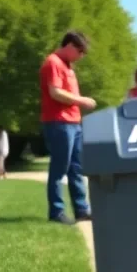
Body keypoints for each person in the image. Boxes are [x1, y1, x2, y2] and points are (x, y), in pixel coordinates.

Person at [39, 29, 96, 224]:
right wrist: (82, 101)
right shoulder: (53, 62)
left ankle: (81, 209)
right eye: (80, 52)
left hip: (73, 122)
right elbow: (55, 92)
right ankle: (56, 212)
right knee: (59, 168)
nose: (81, 56)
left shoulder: (67, 65)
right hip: (59, 122)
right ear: (70, 46)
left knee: (76, 168)